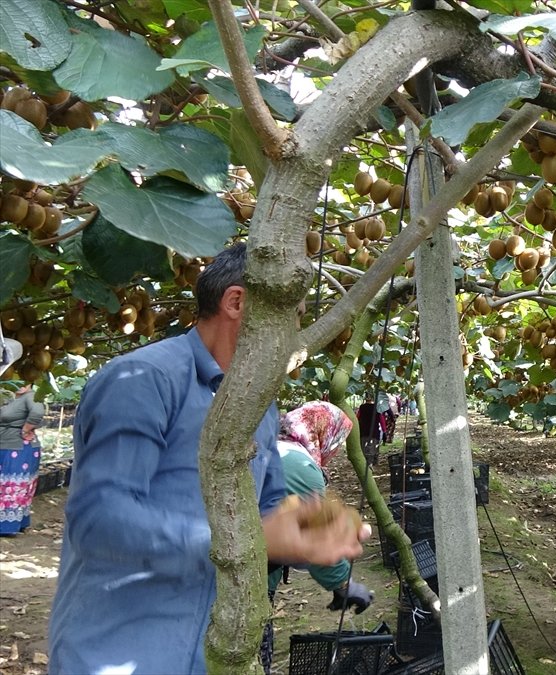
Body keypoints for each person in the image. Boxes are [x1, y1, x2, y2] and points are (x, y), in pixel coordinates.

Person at [48, 243, 367, 675]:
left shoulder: (260, 406)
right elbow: (100, 519)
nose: (297, 328)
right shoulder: (141, 381)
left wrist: (307, 535)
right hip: (122, 654)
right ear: (236, 302)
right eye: (295, 312)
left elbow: (269, 512)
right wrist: (241, 543)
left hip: (217, 654)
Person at [260, 400, 374, 672]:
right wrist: (344, 584)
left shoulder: (272, 447)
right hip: (250, 576)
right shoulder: (301, 466)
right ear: (325, 433)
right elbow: (314, 539)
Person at [0, 381, 45, 535]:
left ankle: (8, 526)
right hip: (8, 446)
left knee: (12, 487)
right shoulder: (12, 398)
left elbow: (38, 412)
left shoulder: (30, 397)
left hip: (18, 448)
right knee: (8, 485)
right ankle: (14, 523)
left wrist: (26, 429)